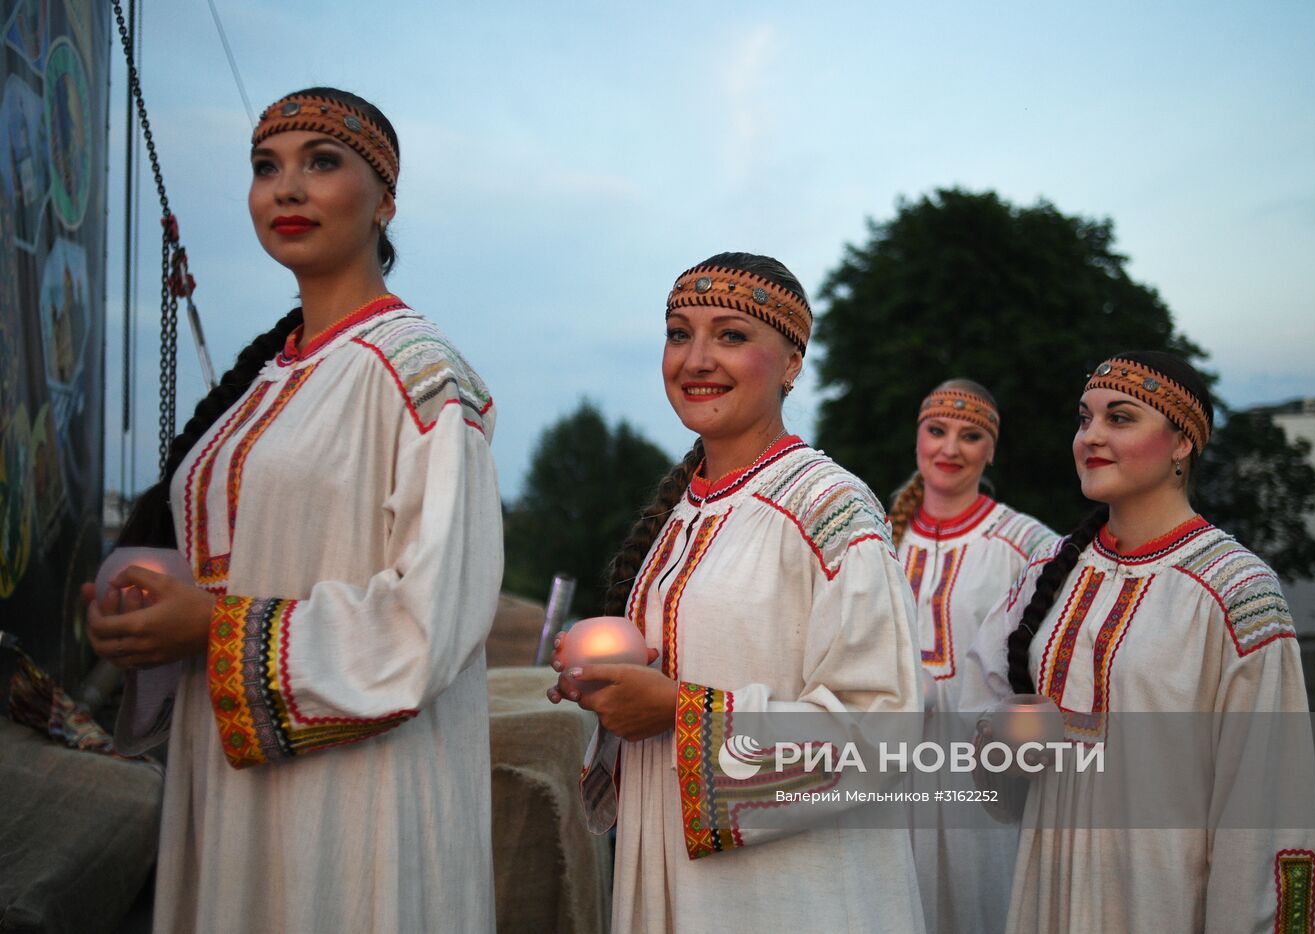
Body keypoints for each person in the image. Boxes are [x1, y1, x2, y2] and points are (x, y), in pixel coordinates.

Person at [84, 88, 501, 933]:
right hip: (229, 780)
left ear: (384, 200)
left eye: (322, 163)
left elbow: (432, 620)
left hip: (360, 800)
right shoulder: (260, 388)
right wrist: (148, 618)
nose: (287, 188)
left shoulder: (421, 379)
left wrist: (212, 626)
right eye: (265, 168)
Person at [549, 252, 925, 933]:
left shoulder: (830, 508)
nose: (695, 359)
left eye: (730, 335)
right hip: (672, 874)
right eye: (677, 333)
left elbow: (884, 727)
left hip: (790, 898)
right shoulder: (679, 518)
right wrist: (605, 690)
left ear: (790, 364)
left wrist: (680, 712)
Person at [964, 351, 1315, 933]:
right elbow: (986, 736)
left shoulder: (1237, 591)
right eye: (1085, 418)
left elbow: (1265, 806)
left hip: (1165, 897)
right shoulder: (1045, 573)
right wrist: (1001, 740)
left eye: (1121, 418)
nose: (1092, 437)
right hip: (1046, 890)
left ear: (1182, 443)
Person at [888, 380, 1054, 932]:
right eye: (937, 431)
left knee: (984, 904)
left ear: (991, 449)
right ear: (918, 437)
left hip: (979, 775)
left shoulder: (1028, 545)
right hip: (888, 772)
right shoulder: (879, 542)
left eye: (971, 435)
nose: (949, 449)